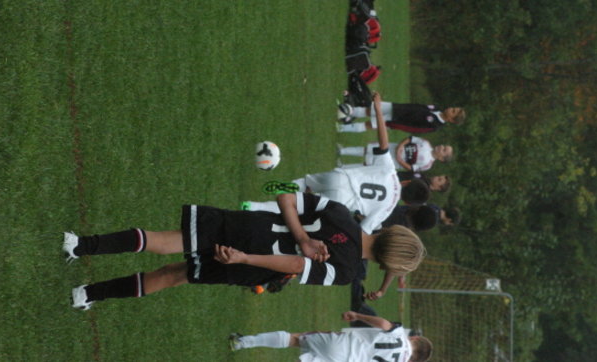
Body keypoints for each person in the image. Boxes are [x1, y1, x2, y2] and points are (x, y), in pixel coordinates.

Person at [63, 192, 426, 310]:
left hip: (249, 226)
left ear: (390, 230)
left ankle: (80, 245)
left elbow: (284, 195)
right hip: (249, 264)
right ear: (387, 264)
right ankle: (87, 294)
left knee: (166, 240)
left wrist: (301, 233)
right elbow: (295, 263)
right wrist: (245, 258)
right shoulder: (345, 272)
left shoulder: (341, 213)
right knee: (174, 275)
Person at [245, 92, 402, 235]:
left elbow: (384, 144)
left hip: (341, 178)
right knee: (298, 206)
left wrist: (378, 110)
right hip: (341, 201)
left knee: (305, 183)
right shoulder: (387, 209)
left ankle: (292, 186)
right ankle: (253, 207)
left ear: (407, 182)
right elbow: (363, 230)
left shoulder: (390, 171)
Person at [229, 310, 433, 362]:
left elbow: (383, 324)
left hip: (345, 345)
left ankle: (241, 342)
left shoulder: (400, 335)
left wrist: (358, 316)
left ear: (414, 339)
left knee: (295, 339)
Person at [338, 101, 465, 134]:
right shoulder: (436, 107)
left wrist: (393, 124)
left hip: (396, 119)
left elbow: (413, 129)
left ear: (451, 120)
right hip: (398, 108)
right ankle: (347, 111)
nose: (451, 108)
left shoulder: (434, 126)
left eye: (453, 111)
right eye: (454, 107)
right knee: (370, 110)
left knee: (369, 124)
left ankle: (341, 128)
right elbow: (416, 106)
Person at [339, 137, 453, 172]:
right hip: (393, 148)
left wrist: (400, 160)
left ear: (441, 159)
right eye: (444, 146)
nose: (441, 147)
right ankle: (342, 151)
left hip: (393, 161)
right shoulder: (426, 143)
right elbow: (410, 139)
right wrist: (400, 146)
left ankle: (343, 167)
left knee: (367, 164)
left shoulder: (427, 165)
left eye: (444, 150)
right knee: (367, 150)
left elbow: (411, 168)